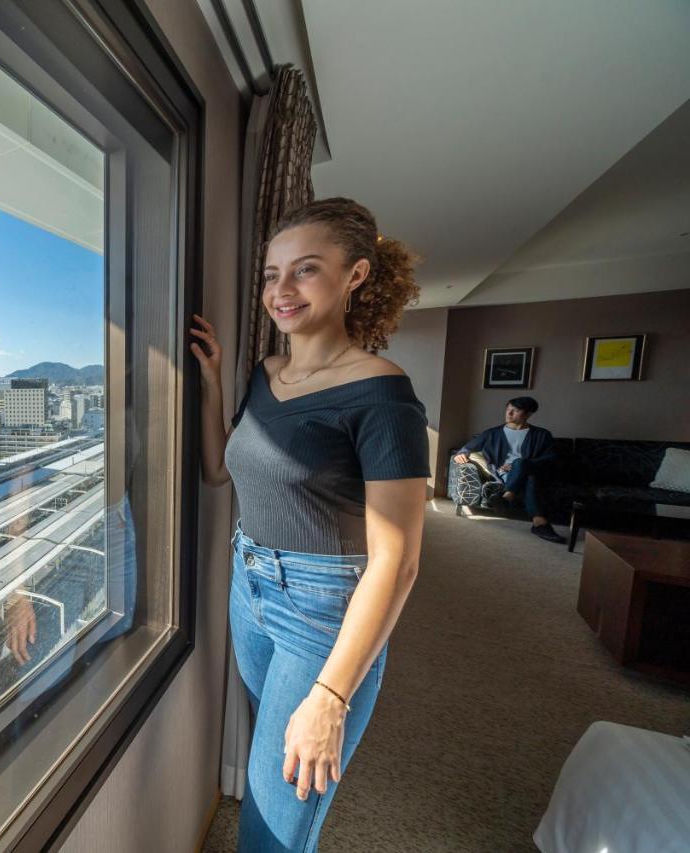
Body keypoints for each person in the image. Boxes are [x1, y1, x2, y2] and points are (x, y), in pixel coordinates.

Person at [191, 197, 429, 851]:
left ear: (355, 275)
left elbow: (398, 560)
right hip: (250, 588)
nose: (281, 290)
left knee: (270, 830)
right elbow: (219, 470)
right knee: (274, 793)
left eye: (305, 270)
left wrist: (331, 693)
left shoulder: (383, 395)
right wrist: (214, 382)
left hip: (323, 613)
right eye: (271, 274)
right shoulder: (266, 375)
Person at [452, 397, 566, 543]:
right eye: (508, 409)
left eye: (516, 410)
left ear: (527, 414)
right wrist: (460, 455)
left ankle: (507, 497)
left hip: (535, 470)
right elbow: (466, 449)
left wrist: (522, 464)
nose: (509, 413)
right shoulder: (492, 433)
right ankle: (540, 523)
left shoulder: (542, 434)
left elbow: (552, 459)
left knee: (522, 464)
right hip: (507, 475)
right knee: (529, 477)